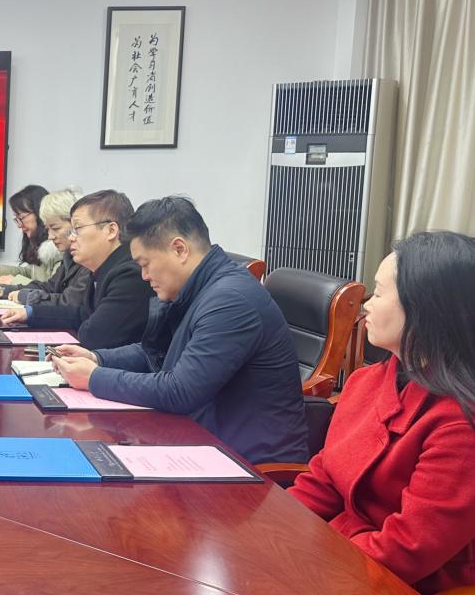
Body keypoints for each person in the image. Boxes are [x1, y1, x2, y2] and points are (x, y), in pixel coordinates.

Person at [51, 196, 308, 464]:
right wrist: (97, 359)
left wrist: (94, 378)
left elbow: (180, 391)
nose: (144, 276)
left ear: (179, 249)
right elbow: (157, 353)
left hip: (246, 463)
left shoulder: (230, 301)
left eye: (145, 264)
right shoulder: (198, 287)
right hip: (201, 440)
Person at [288, 231, 475, 595]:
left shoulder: (460, 424)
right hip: (347, 556)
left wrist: (311, 557)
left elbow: (407, 550)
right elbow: (325, 476)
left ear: (425, 309)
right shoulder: (367, 381)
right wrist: (277, 526)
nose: (367, 306)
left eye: (379, 292)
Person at [0, 189, 152, 349]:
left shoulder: (130, 275)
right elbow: (80, 314)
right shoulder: (102, 268)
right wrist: (31, 313)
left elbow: (94, 335)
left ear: (111, 230)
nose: (71, 237)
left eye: (77, 229)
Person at [0, 187, 91, 309]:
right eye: (48, 229)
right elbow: (49, 286)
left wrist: (21, 293)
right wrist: (6, 290)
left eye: (55, 228)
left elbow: (68, 302)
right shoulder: (68, 255)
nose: (50, 236)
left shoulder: (84, 260)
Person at [0, 184, 51, 287]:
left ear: (40, 213)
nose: (19, 226)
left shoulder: (58, 247)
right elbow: (30, 273)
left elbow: (52, 290)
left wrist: (15, 281)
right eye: (17, 219)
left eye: (21, 217)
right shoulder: (40, 244)